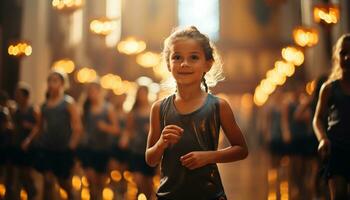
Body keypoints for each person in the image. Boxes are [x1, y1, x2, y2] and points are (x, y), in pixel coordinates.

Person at [145, 26, 249, 200]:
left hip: (209, 194)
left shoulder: (218, 106)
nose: (184, 63)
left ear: (207, 64)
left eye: (193, 57)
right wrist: (161, 143)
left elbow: (241, 150)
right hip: (169, 195)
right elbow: (150, 159)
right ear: (168, 64)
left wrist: (208, 157)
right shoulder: (159, 108)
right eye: (177, 57)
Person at [30, 70, 82, 199]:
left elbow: (77, 127)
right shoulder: (45, 105)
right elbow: (40, 126)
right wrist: (30, 140)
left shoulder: (68, 103)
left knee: (64, 183)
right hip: (47, 147)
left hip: (63, 148)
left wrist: (71, 147)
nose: (51, 84)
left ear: (62, 84)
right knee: (47, 181)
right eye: (49, 81)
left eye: (55, 81)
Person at [313, 34, 350, 200]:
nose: (348, 57)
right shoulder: (329, 88)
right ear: (337, 56)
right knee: (339, 195)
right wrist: (322, 138)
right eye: (343, 53)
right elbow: (317, 119)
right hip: (337, 148)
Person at [78, 81, 119, 199]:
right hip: (88, 148)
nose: (92, 94)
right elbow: (81, 126)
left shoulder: (108, 108)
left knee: (100, 183)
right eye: (90, 92)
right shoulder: (86, 107)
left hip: (103, 149)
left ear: (100, 92)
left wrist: (105, 127)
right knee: (90, 179)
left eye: (94, 91)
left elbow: (116, 129)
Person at [126, 85, 156, 199]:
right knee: (138, 180)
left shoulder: (153, 108)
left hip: (150, 148)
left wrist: (151, 128)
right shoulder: (133, 111)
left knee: (149, 183)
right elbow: (129, 129)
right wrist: (127, 137)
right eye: (140, 94)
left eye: (144, 93)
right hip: (136, 149)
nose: (142, 96)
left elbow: (161, 128)